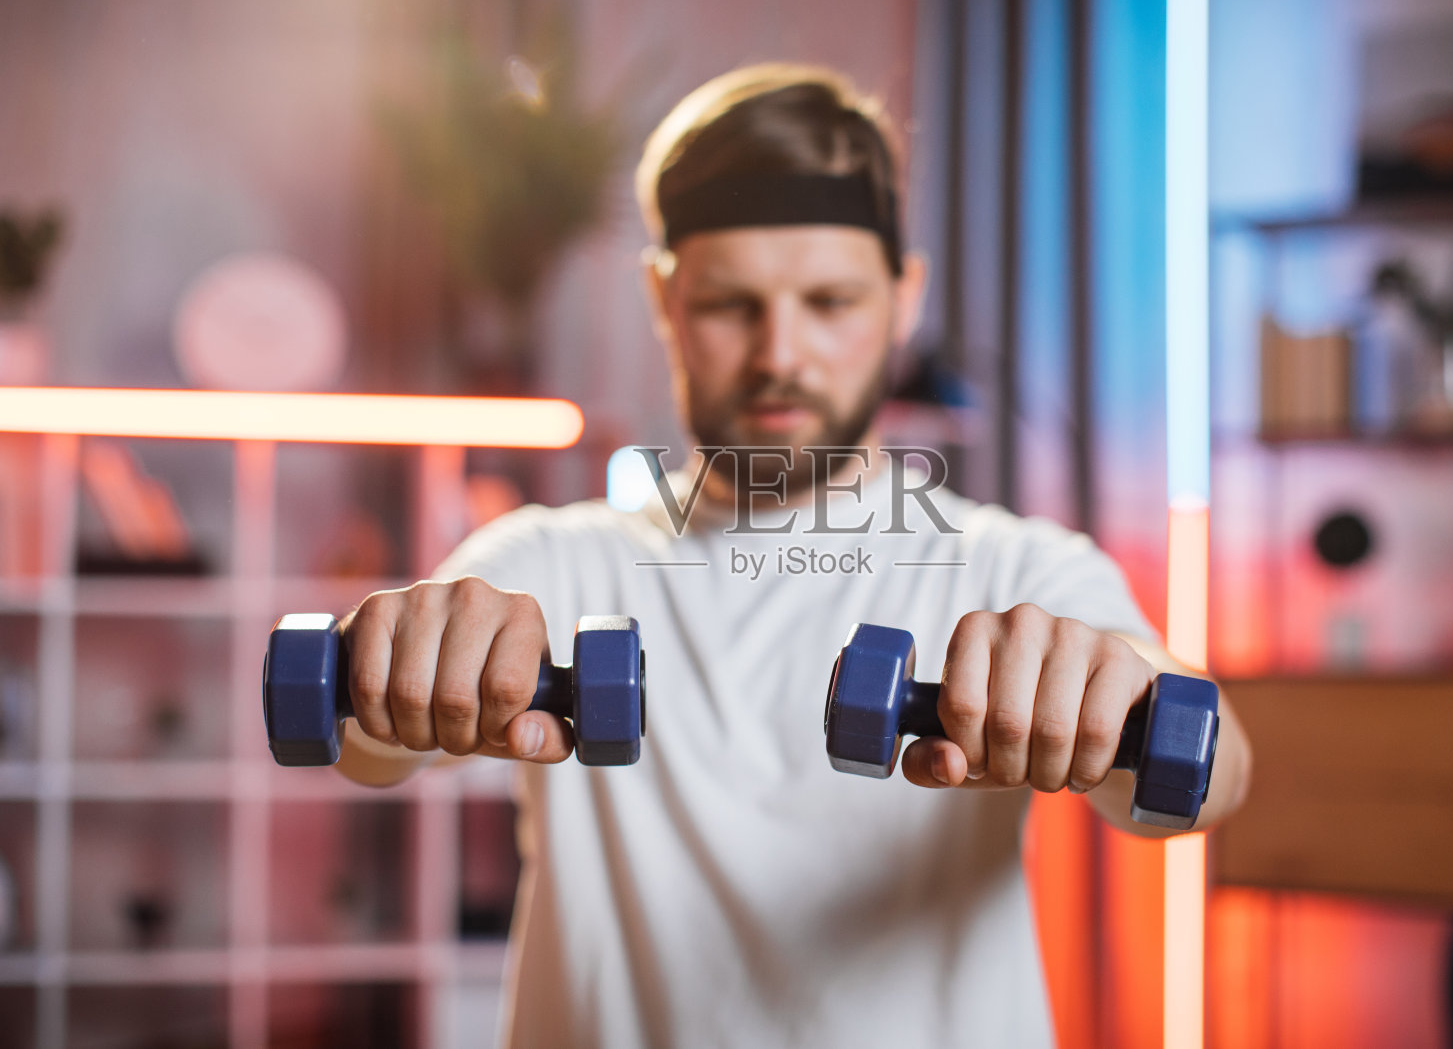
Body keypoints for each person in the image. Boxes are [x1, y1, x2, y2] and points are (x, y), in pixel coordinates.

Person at [333, 63, 1252, 1048]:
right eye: (733, 304)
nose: (782, 352)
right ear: (664, 296)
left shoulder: (1014, 569)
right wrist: (383, 658)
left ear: (905, 296)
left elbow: (1210, 774)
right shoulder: (549, 564)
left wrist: (1120, 695)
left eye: (829, 300)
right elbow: (364, 745)